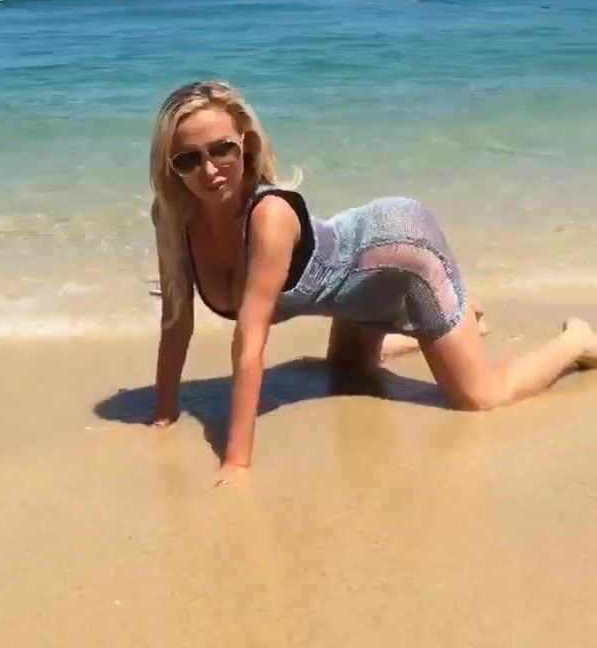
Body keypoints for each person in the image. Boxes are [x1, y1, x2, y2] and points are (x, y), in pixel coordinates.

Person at [148, 80, 597, 486]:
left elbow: (249, 342)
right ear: (171, 167)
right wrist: (164, 413)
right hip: (353, 292)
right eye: (189, 159)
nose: (209, 170)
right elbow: (176, 320)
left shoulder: (269, 217)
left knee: (479, 398)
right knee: (347, 373)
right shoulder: (172, 220)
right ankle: (459, 323)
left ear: (245, 146)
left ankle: (575, 340)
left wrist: (236, 461)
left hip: (402, 253)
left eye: (222, 150)